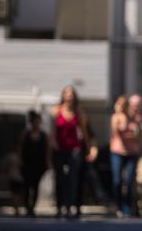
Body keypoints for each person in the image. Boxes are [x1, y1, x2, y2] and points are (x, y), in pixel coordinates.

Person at [51, 85, 90, 219]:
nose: (69, 96)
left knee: (73, 179)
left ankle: (70, 207)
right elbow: (52, 130)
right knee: (60, 179)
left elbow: (84, 132)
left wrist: (88, 148)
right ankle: (59, 207)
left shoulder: (78, 112)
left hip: (74, 149)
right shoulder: (56, 110)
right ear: (63, 96)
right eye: (67, 93)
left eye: (72, 93)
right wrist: (53, 144)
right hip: (59, 149)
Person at [110, 95, 141, 218]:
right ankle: (118, 206)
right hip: (117, 152)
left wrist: (130, 132)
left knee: (128, 181)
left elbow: (138, 136)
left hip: (131, 153)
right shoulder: (116, 117)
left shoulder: (135, 118)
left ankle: (127, 207)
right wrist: (122, 118)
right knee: (117, 180)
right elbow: (116, 133)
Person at [18, 110, 51, 218]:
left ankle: (32, 207)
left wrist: (48, 162)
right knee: (27, 185)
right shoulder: (25, 134)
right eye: (34, 122)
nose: (36, 124)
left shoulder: (43, 135)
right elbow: (20, 148)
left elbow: (47, 150)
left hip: (39, 164)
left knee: (36, 186)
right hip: (27, 164)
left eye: (38, 121)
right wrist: (20, 160)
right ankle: (27, 207)